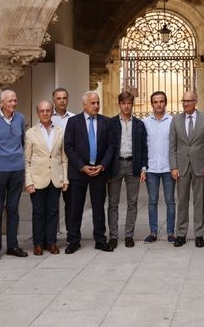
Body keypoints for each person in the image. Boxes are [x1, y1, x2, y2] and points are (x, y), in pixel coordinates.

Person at [64, 91, 118, 253]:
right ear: (84, 105)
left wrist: (102, 166)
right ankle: (73, 241)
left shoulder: (106, 122)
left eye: (98, 103)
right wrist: (81, 166)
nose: (96, 106)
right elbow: (69, 146)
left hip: (99, 172)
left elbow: (111, 146)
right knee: (75, 207)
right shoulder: (73, 122)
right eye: (93, 103)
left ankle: (100, 239)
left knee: (98, 207)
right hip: (79, 172)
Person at [0, 89, 28, 261]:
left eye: (15, 101)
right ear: (1, 103)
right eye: (10, 101)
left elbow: (22, 141)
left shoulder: (21, 119)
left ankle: (13, 245)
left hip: (17, 170)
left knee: (14, 209)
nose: (14, 104)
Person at [169, 90, 204, 248]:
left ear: (196, 101)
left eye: (189, 101)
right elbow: (172, 146)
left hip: (200, 167)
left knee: (199, 202)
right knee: (182, 201)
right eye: (184, 101)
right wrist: (173, 166)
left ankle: (199, 234)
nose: (186, 103)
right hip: (181, 167)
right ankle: (181, 234)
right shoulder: (175, 120)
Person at [24, 100, 68, 256]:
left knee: (53, 211)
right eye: (42, 111)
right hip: (37, 179)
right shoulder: (31, 133)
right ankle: (38, 243)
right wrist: (28, 181)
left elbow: (63, 158)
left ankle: (51, 242)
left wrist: (65, 178)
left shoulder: (60, 131)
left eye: (48, 110)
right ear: (38, 113)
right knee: (38, 212)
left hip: (55, 178)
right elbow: (27, 160)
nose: (45, 113)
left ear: (52, 112)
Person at [107, 91, 148, 249]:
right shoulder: (111, 123)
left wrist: (144, 168)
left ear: (132, 104)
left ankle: (129, 235)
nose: (126, 106)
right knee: (113, 202)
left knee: (132, 202)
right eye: (123, 103)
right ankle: (113, 236)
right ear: (119, 104)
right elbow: (106, 147)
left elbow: (144, 148)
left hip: (133, 165)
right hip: (115, 166)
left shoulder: (139, 124)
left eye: (129, 103)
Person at [142, 91, 175, 243]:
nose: (158, 104)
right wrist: (143, 168)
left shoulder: (172, 121)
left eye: (161, 101)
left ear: (165, 103)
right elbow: (143, 147)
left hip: (168, 168)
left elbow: (176, 146)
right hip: (152, 168)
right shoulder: (145, 122)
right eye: (155, 102)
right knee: (152, 201)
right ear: (152, 104)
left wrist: (176, 166)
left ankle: (170, 232)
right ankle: (153, 232)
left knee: (170, 201)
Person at [51, 87, 75, 235]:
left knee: (70, 203)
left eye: (64, 98)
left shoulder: (73, 118)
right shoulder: (47, 117)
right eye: (59, 98)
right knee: (52, 204)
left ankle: (70, 234)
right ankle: (51, 235)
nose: (62, 101)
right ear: (54, 99)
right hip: (52, 165)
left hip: (70, 165)